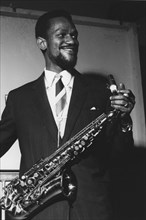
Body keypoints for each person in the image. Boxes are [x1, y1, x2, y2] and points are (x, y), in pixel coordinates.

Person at [0, 10, 135, 220]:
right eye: (62, 34)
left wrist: (124, 120)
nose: (71, 40)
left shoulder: (101, 92)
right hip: (39, 213)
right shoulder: (19, 98)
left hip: (91, 211)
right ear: (42, 43)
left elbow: (120, 156)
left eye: (74, 35)